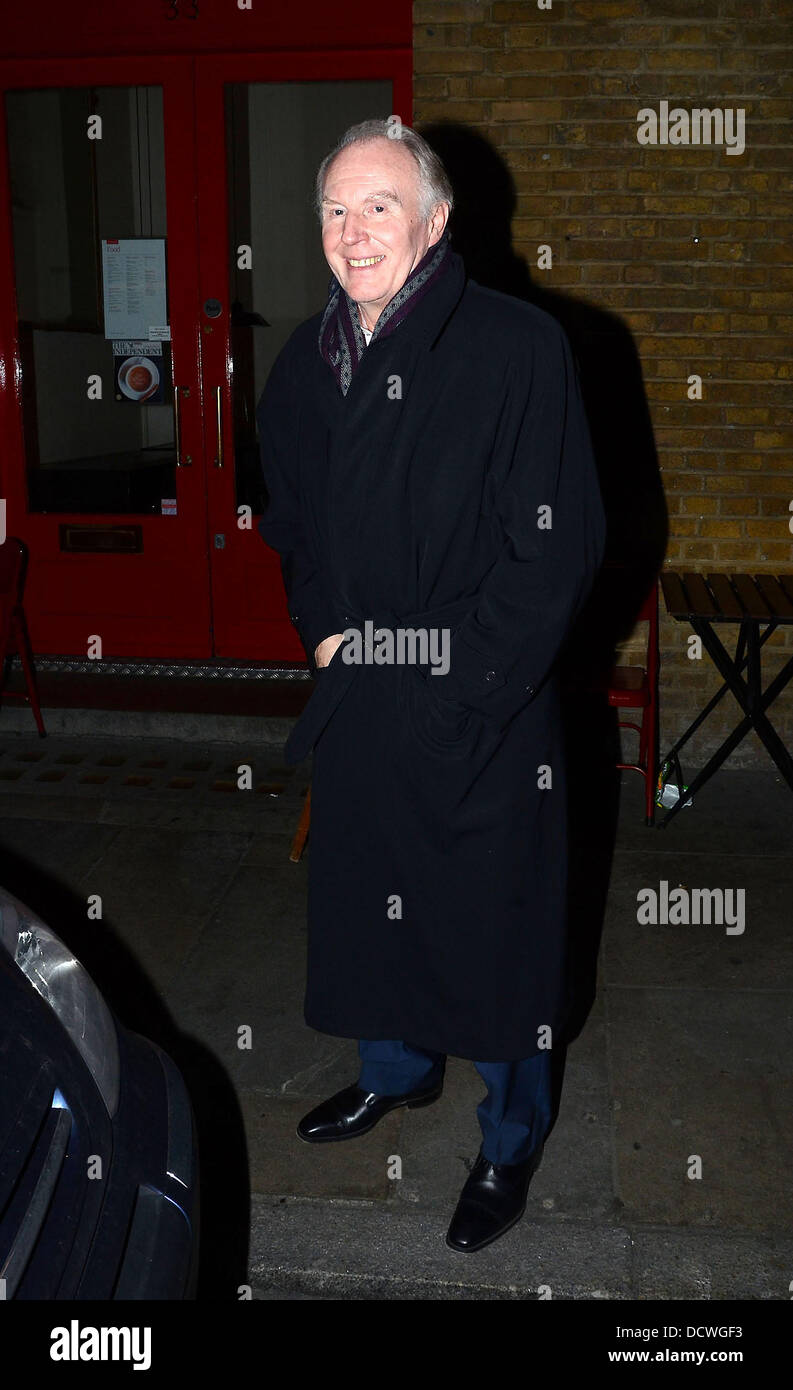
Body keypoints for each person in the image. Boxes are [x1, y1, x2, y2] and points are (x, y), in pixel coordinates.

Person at [257, 118, 606, 1252]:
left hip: (478, 711)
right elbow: (294, 524)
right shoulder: (305, 365)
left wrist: (454, 685)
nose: (353, 234)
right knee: (372, 908)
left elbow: (554, 551)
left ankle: (510, 1138)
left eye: (379, 208)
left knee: (494, 938)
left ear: (436, 223)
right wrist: (320, 632)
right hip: (362, 697)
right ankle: (395, 1073)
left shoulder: (517, 350)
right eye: (334, 210)